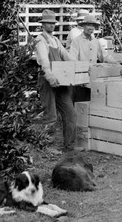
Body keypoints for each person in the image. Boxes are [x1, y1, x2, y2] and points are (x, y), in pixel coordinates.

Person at [34, 9, 77, 153]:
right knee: (50, 115)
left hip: (61, 80)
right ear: (43, 24)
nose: (51, 26)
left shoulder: (56, 40)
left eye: (53, 23)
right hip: (48, 81)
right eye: (48, 23)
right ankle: (48, 146)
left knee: (70, 113)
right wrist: (51, 77)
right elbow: (44, 62)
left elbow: (67, 56)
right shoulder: (41, 40)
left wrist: (81, 66)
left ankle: (69, 146)